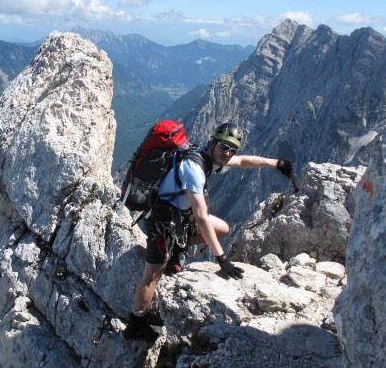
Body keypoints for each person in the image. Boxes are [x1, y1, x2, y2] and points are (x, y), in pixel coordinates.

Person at [124, 122, 293, 340]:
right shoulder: (194, 168)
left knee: (222, 227)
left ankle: (175, 248)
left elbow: (243, 161)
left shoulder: (210, 158)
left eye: (232, 149)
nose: (228, 154)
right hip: (162, 221)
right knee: (151, 275)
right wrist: (222, 258)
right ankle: (136, 322)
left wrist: (277, 163)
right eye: (224, 147)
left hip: (179, 216)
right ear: (213, 143)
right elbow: (202, 217)